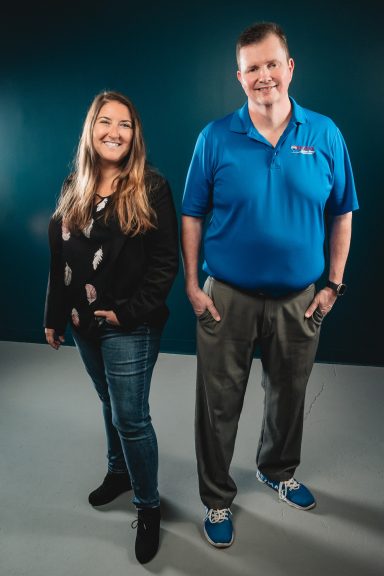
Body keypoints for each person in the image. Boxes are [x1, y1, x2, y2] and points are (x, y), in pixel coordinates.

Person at [181, 21, 358, 548]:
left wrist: (332, 285)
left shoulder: (324, 133)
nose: (264, 76)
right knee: (218, 404)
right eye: (252, 67)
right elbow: (192, 213)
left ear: (290, 67)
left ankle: (277, 470)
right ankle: (216, 500)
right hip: (227, 297)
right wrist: (193, 285)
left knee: (289, 394)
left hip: (300, 300)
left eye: (272, 64)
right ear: (239, 76)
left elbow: (343, 212)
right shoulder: (215, 137)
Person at [44, 90, 179, 563]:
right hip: (83, 325)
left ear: (134, 135)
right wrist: (54, 317)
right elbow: (60, 258)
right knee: (109, 403)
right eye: (106, 121)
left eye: (125, 124)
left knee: (131, 417)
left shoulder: (152, 187)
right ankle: (118, 472)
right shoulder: (72, 186)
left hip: (130, 324)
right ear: (92, 129)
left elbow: (166, 263)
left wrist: (129, 312)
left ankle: (148, 506)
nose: (115, 132)